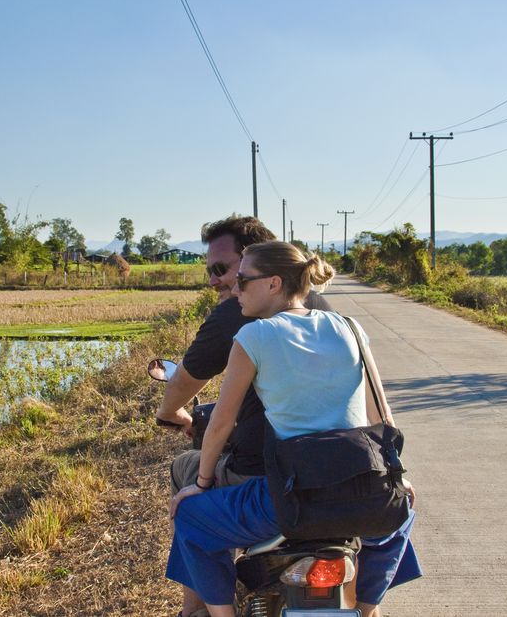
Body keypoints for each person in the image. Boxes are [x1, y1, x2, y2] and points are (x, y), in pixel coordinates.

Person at [165, 242, 420, 617]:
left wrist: (200, 485)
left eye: (242, 280)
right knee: (400, 518)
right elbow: (382, 417)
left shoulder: (253, 337)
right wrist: (399, 475)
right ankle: (367, 610)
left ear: (273, 283)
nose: (235, 289)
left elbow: (220, 423)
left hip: (289, 499)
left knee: (190, 518)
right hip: (362, 491)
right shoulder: (350, 327)